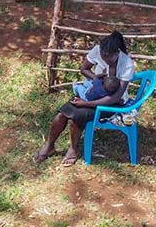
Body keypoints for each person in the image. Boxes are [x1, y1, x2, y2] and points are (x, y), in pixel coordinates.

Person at [34, 32, 135, 167]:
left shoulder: (126, 63)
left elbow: (115, 97)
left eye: (109, 57)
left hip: (112, 104)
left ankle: (73, 149)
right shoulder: (97, 51)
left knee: (78, 115)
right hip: (92, 94)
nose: (105, 59)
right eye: (103, 55)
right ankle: (49, 145)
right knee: (62, 114)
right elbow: (84, 69)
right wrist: (96, 80)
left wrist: (86, 103)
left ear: (117, 52)